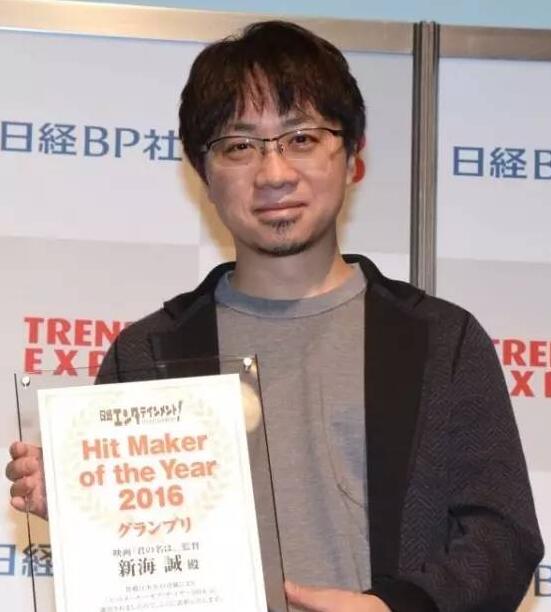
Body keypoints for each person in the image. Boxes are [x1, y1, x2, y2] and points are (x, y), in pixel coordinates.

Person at [6, 20, 543, 612]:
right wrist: (86, 508)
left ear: (353, 157)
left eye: (302, 138)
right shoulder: (148, 353)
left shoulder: (441, 340)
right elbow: (136, 568)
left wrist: (394, 607)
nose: (274, 173)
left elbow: (503, 539)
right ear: (203, 173)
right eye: (240, 146)